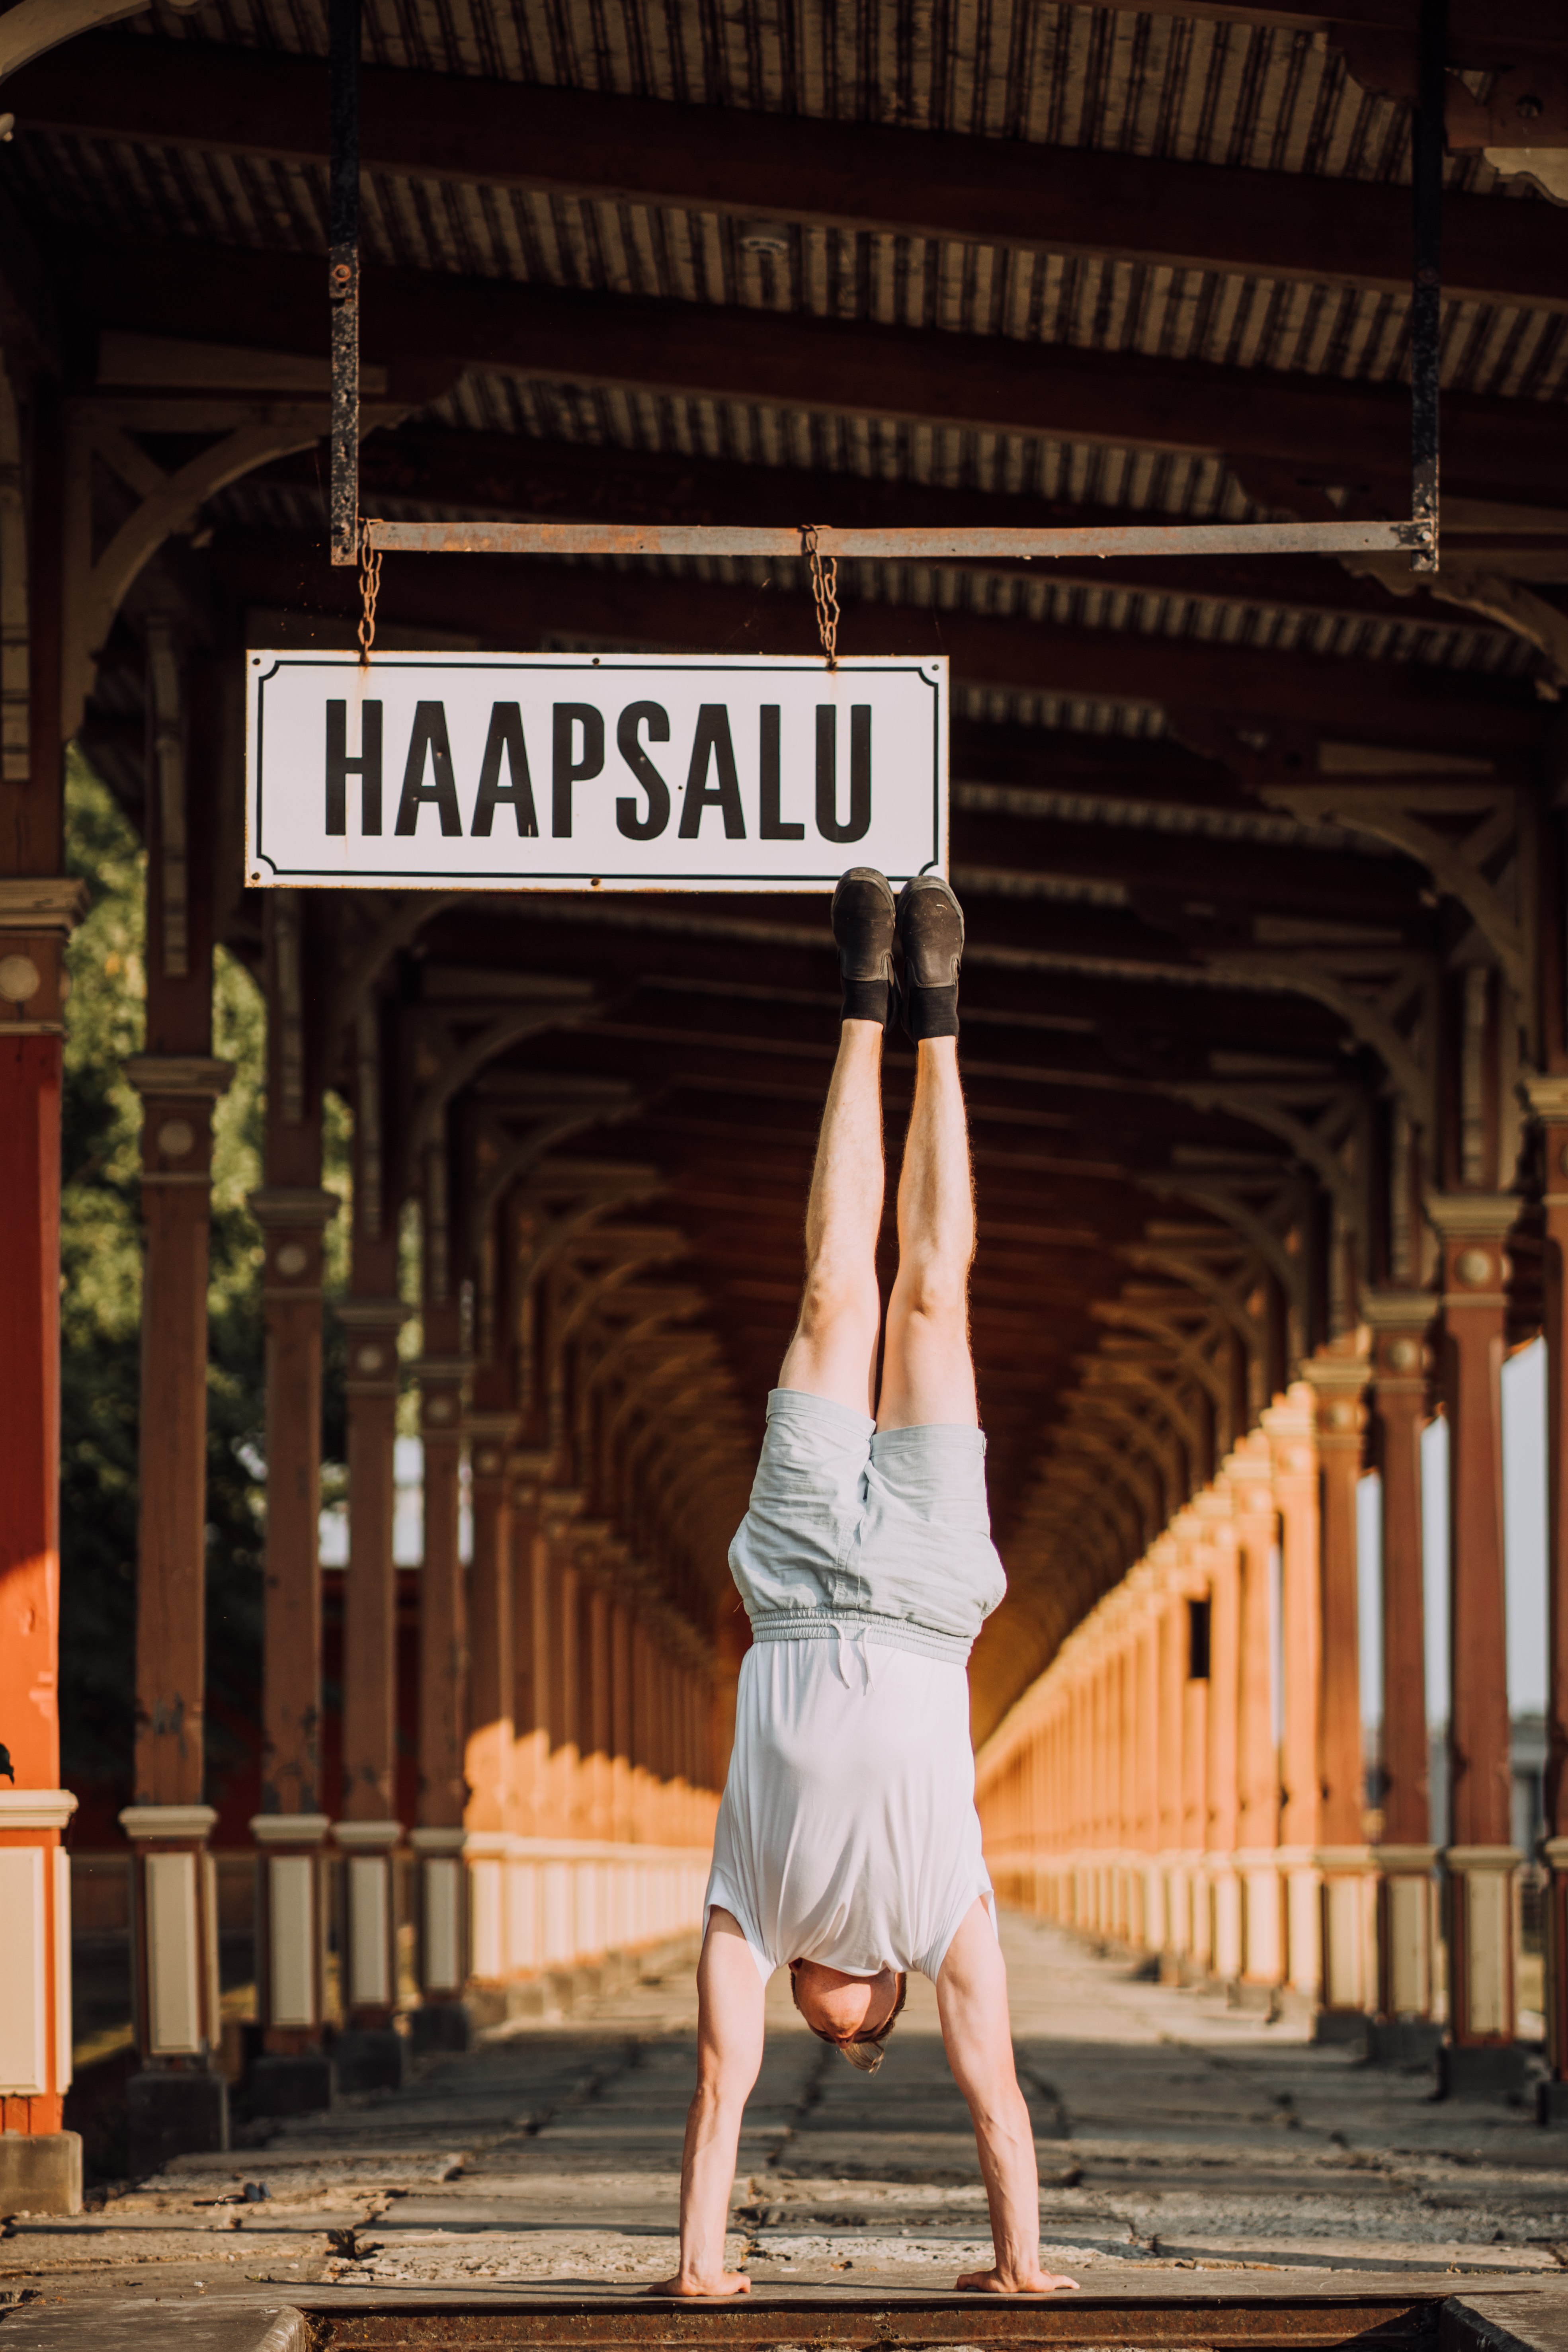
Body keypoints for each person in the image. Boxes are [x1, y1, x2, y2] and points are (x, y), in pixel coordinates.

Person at [656, 868, 1079, 2299]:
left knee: (838, 1287)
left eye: (819, 2033)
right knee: (931, 1294)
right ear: (888, 1998)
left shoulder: (748, 1919)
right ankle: (939, 1012)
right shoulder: (944, 1914)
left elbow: (721, 2094)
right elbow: (997, 2095)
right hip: (920, 1588)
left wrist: (701, 2267)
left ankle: (859, 996)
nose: (834, 2025)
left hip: (789, 1580)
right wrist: (1017, 2262)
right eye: (853, 2037)